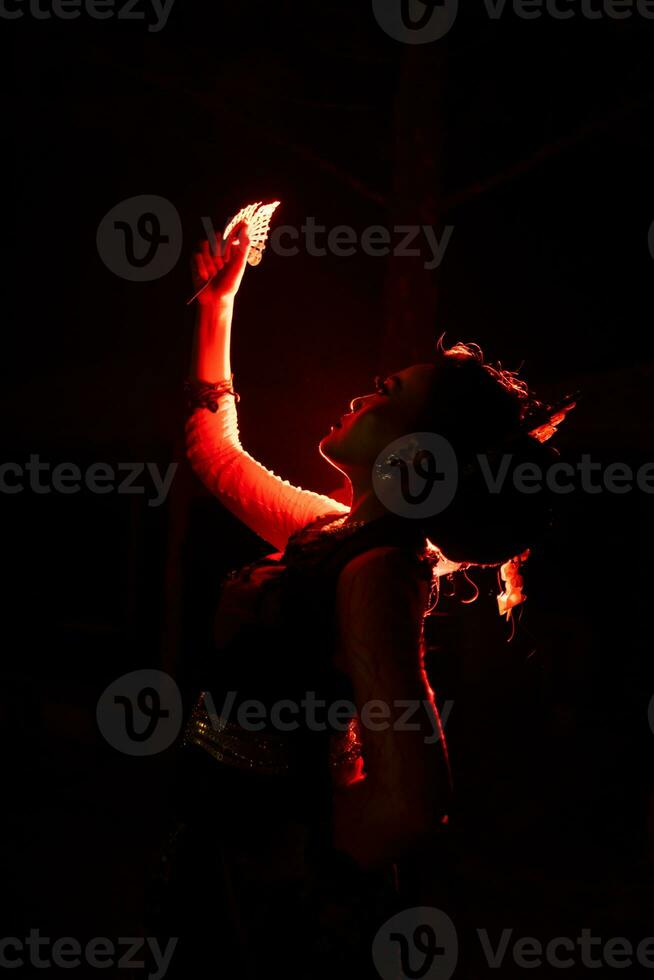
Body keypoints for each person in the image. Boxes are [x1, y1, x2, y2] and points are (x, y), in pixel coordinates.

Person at [146, 221, 569, 979]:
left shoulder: (380, 572)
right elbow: (216, 455)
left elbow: (412, 798)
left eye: (387, 392)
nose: (361, 392)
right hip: (222, 845)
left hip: (267, 905)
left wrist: (299, 870)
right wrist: (220, 306)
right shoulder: (335, 531)